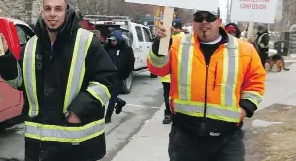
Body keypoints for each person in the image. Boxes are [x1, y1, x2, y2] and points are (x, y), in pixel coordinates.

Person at [0, 0, 116, 161]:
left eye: (58, 9)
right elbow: (18, 81)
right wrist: (4, 55)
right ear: (42, 12)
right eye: (48, 9)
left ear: (66, 12)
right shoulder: (32, 45)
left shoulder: (86, 41)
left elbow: (107, 80)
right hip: (39, 146)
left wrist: (78, 110)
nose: (52, 14)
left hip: (77, 145)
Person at [148, 9, 266, 161]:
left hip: (227, 139)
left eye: (210, 18)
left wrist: (245, 109)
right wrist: (160, 45)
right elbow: (157, 69)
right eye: (199, 18)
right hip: (185, 137)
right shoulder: (177, 44)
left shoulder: (244, 50)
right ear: (193, 22)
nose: (204, 22)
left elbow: (255, 83)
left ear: (219, 21)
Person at [103, 30, 134, 123]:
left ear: (119, 40)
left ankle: (108, 116)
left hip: (118, 76)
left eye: (114, 40)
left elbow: (130, 64)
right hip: (107, 75)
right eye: (111, 40)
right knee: (106, 94)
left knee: (112, 96)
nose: (112, 42)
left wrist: (123, 75)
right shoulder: (106, 47)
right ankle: (120, 102)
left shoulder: (126, 49)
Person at [158, 21, 185, 124]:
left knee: (177, 97)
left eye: (176, 28)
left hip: (177, 74)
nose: (174, 30)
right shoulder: (166, 37)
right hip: (166, 75)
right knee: (166, 96)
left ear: (180, 29)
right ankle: (168, 113)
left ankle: (175, 114)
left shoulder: (183, 38)